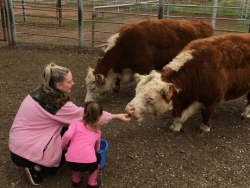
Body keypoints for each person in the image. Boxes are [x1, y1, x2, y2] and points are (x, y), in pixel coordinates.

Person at [8, 62, 131, 186]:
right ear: (58, 85)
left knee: (69, 129)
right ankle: (35, 168)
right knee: (58, 161)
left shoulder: (40, 92)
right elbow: (88, 115)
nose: (73, 83)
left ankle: (36, 161)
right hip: (24, 153)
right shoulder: (57, 104)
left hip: (17, 143)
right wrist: (115, 116)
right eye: (69, 81)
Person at [61, 101, 130, 188]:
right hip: (89, 163)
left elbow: (67, 135)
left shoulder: (74, 124)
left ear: (83, 113)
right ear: (99, 118)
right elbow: (97, 148)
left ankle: (76, 181)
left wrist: (63, 146)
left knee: (76, 156)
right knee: (97, 156)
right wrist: (92, 153)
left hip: (70, 162)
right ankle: (91, 183)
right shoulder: (97, 132)